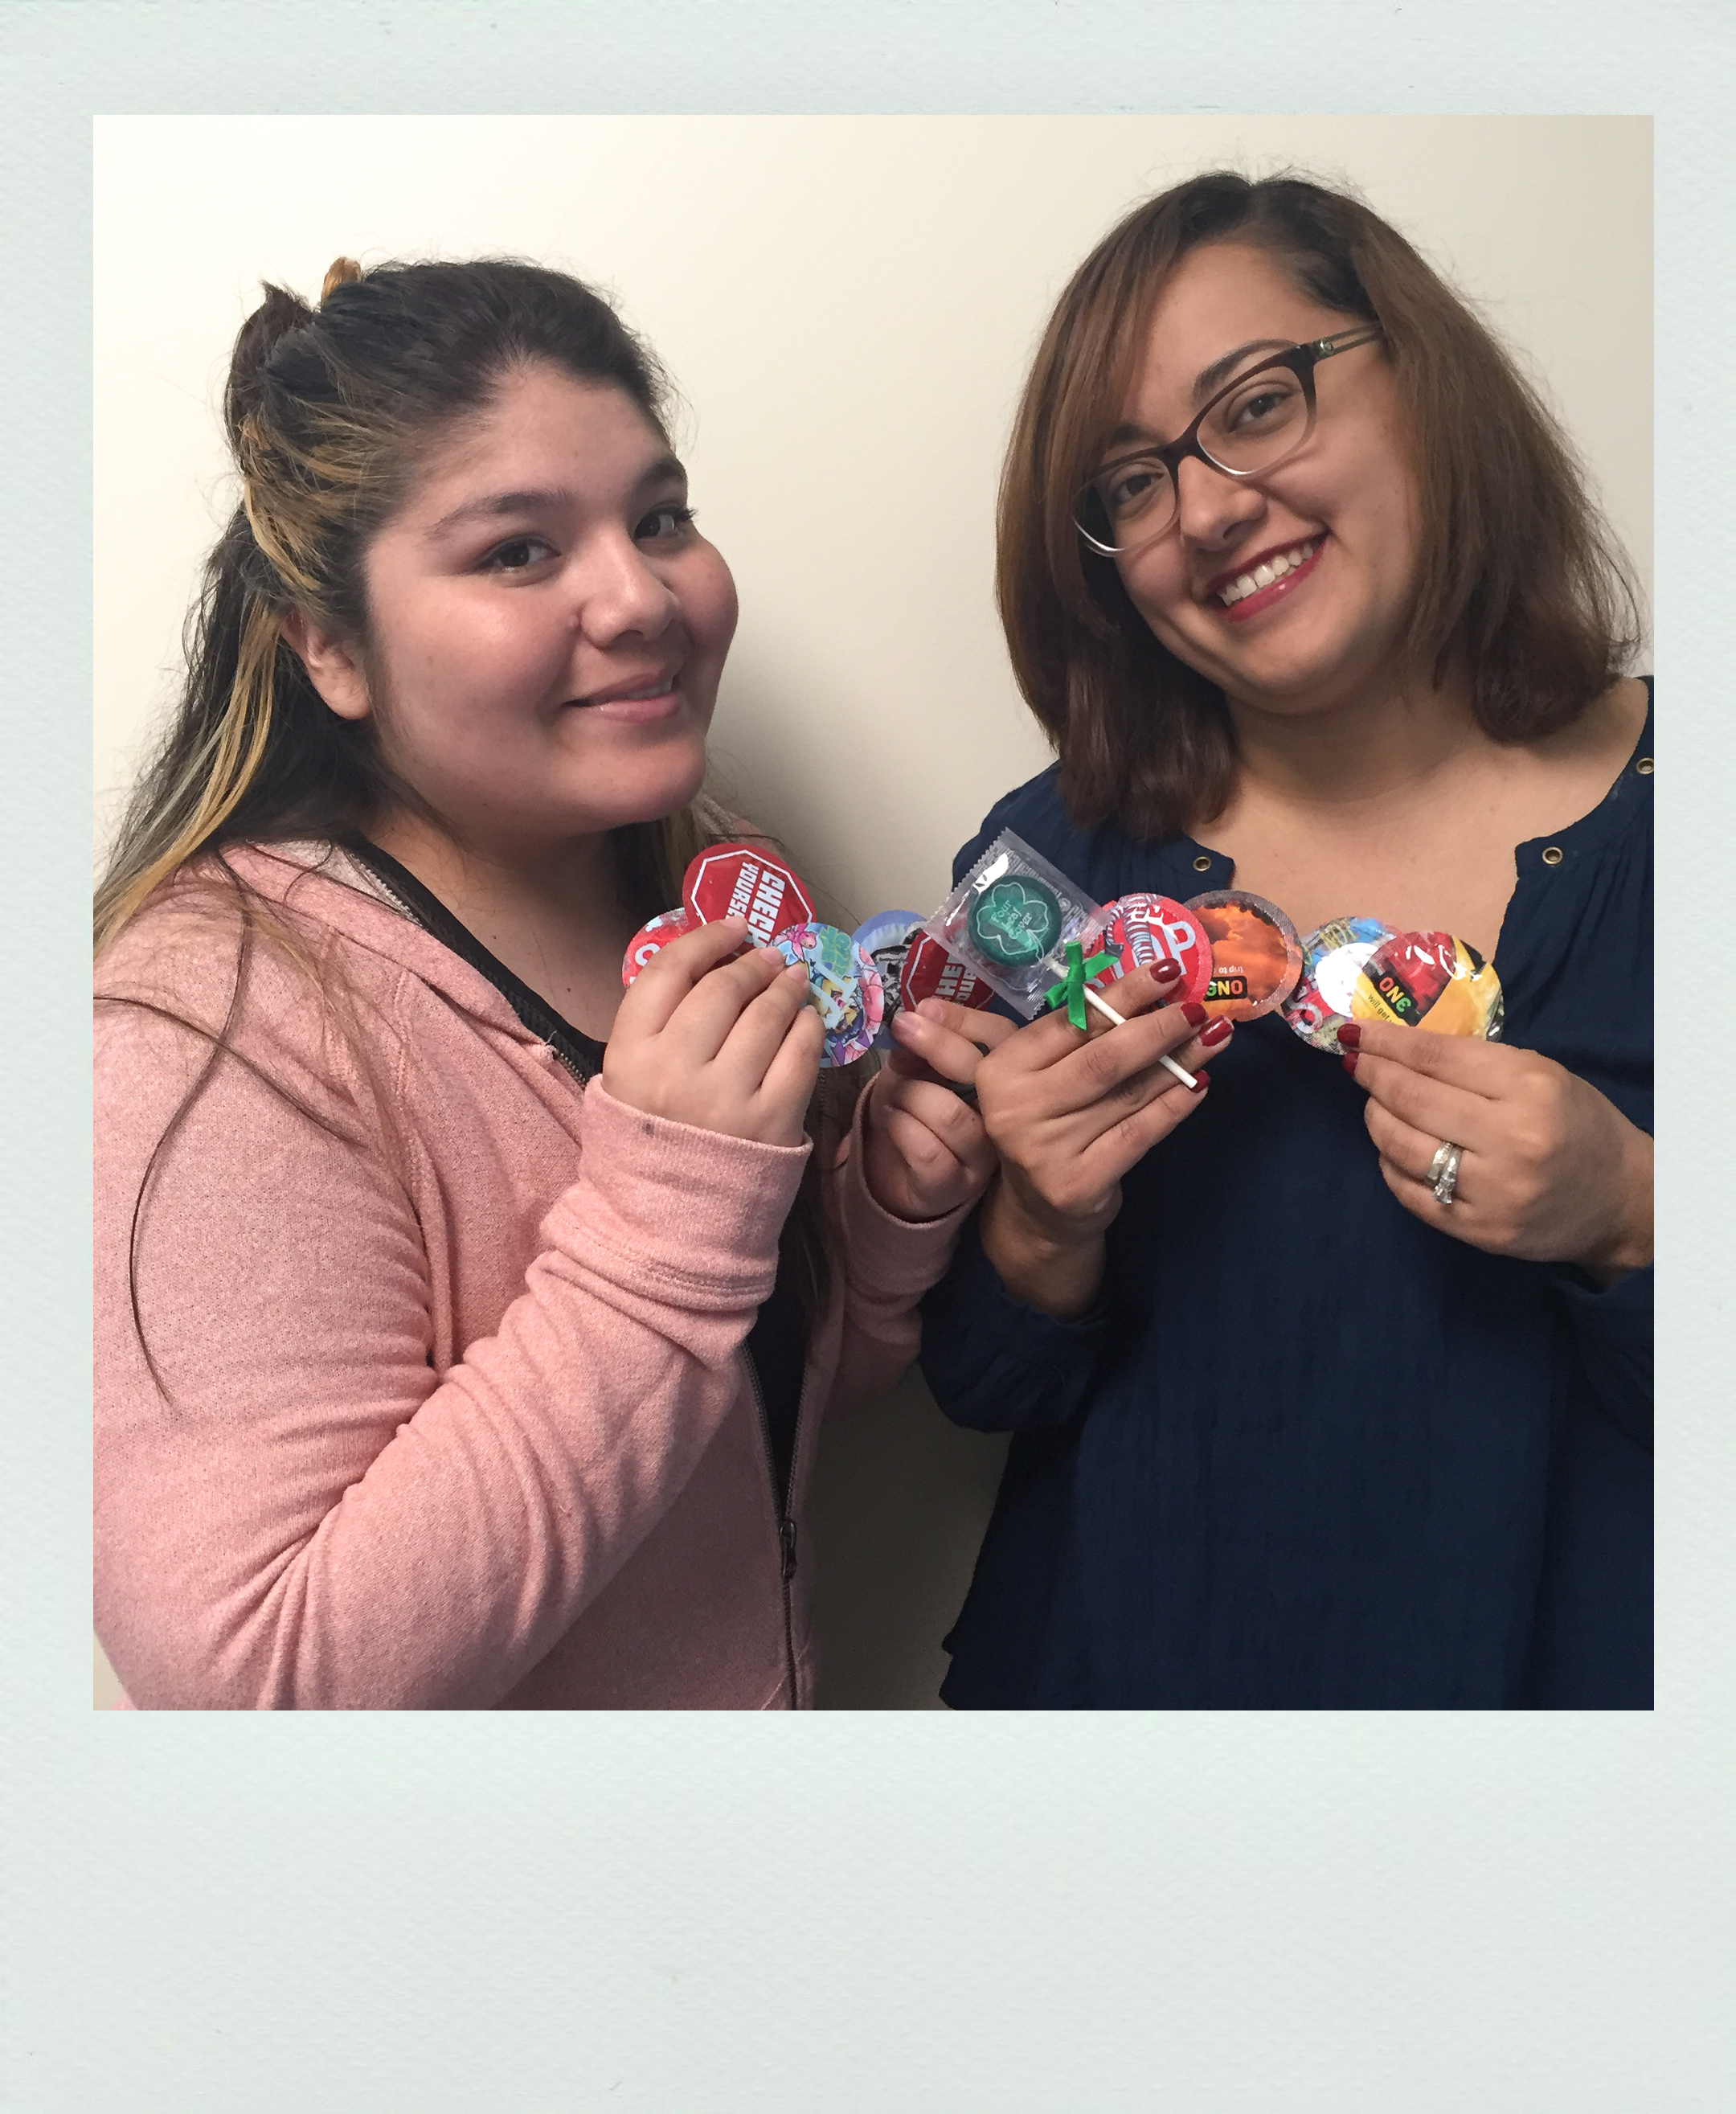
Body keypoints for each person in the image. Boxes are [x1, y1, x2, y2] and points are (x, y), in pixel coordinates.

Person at [95, 256, 996, 1710]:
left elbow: (742, 1412)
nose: (642, 598)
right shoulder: (206, 1022)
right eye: (518, 550)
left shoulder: (716, 895)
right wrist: (677, 1215)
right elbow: (260, 1691)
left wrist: (876, 1220)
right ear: (329, 647)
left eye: (661, 518)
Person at [892, 173, 1652, 1709]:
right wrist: (1039, 1228)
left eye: (1257, 403)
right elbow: (979, 1391)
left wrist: (1631, 1207)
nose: (1210, 506)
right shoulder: (1053, 866)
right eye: (1131, 485)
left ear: (1419, 375)